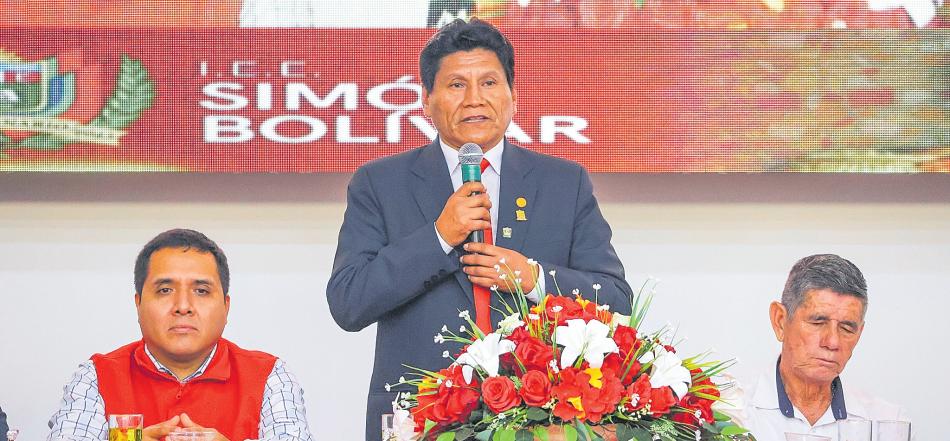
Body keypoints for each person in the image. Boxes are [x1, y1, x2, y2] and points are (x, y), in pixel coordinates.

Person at [326, 17, 633, 439]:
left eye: (489, 83)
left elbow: (615, 300)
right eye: (456, 85)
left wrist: (534, 279)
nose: (474, 99)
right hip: (419, 418)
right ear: (426, 100)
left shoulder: (564, 183)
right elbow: (348, 302)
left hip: (538, 421)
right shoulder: (380, 183)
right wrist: (438, 237)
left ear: (513, 96)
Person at [47, 229, 313, 441]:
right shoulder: (96, 376)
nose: (183, 306)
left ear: (226, 306)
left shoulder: (270, 376)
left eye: (201, 291)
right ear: (138, 303)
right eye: (165, 290)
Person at [725, 254, 911, 440]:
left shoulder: (888, 424)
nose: (832, 342)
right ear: (780, 321)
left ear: (859, 333)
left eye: (847, 328)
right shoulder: (728, 412)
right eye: (818, 322)